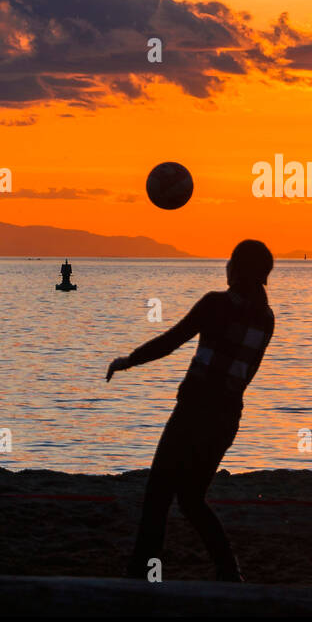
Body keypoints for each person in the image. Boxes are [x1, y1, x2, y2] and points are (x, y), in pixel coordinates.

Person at [108, 240, 275, 582]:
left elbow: (173, 340)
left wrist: (129, 360)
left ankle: (143, 571)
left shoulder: (216, 304)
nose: (225, 265)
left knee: (158, 494)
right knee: (192, 498)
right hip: (227, 416)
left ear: (237, 269)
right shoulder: (266, 317)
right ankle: (229, 570)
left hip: (194, 412)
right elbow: (247, 374)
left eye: (230, 260)